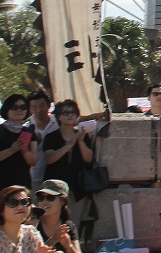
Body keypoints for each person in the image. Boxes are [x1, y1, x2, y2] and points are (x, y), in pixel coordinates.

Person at [40, 101, 96, 230]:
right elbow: (49, 159)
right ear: (59, 116)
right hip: (54, 189)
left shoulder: (83, 135)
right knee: (53, 222)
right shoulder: (51, 137)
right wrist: (69, 145)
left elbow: (89, 158)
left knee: (73, 223)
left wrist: (80, 141)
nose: (70, 115)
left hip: (77, 187)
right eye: (66, 112)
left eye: (73, 112)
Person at [32, 180, 81, 253]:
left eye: (50, 197)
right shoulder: (33, 224)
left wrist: (68, 246)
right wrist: (54, 239)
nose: (44, 202)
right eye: (41, 198)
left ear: (63, 201)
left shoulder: (69, 226)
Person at [0, 96, 36, 192]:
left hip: (23, 185)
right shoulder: (1, 130)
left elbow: (33, 161)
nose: (19, 110)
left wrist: (24, 151)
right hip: (3, 186)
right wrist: (12, 150)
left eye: (23, 107)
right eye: (14, 107)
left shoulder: (29, 131)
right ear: (7, 109)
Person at [24, 93, 56, 192]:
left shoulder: (59, 121)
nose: (39, 110)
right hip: (36, 180)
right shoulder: (26, 128)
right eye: (34, 107)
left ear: (49, 105)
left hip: (58, 177)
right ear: (29, 109)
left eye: (42, 105)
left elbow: (80, 119)